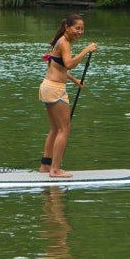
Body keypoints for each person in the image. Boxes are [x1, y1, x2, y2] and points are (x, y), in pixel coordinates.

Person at [38, 14, 98, 177]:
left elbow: (59, 66)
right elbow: (70, 64)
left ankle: (45, 165)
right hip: (55, 90)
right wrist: (86, 50)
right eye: (77, 28)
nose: (80, 32)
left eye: (82, 29)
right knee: (64, 130)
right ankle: (55, 170)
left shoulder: (59, 41)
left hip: (47, 87)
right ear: (67, 27)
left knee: (55, 129)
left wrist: (74, 80)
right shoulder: (64, 43)